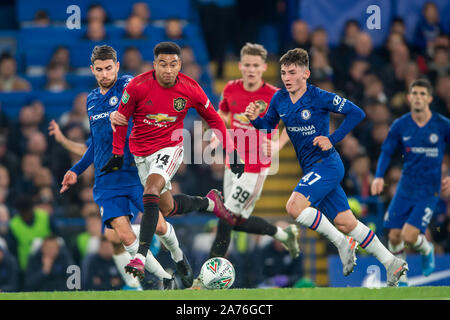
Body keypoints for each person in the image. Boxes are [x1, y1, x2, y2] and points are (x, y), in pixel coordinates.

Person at [245, 48, 408, 287]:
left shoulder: (318, 96)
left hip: (327, 164)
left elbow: (356, 112)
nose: (287, 77)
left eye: (292, 72)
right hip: (312, 169)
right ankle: (392, 263)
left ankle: (342, 243)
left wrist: (332, 138)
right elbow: (268, 124)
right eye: (283, 73)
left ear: (306, 73)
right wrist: (254, 119)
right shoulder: (279, 98)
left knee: (294, 207)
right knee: (346, 223)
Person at [102, 41, 245, 281]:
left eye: (173, 64)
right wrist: (117, 153)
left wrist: (231, 151)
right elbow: (120, 120)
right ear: (154, 64)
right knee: (166, 208)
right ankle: (209, 203)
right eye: (163, 64)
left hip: (170, 147)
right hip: (141, 152)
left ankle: (140, 256)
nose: (168, 70)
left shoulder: (191, 88)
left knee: (151, 190)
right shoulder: (137, 86)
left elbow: (215, 119)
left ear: (180, 65)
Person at [57, 45, 191, 290]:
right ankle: (164, 279)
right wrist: (76, 170)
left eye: (109, 68)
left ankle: (179, 257)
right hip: (107, 181)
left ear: (117, 66)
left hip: (135, 172)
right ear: (92, 70)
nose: (105, 74)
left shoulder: (129, 85)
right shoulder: (91, 100)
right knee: (123, 235)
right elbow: (97, 144)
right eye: (99, 70)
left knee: (160, 226)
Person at [205, 43, 299, 264]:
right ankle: (283, 234)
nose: (251, 69)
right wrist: (217, 132)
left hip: (257, 165)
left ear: (264, 67)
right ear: (240, 65)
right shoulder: (230, 89)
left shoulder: (275, 95)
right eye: (247, 65)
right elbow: (223, 113)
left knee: (225, 215)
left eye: (255, 65)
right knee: (234, 220)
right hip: (233, 161)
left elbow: (294, 123)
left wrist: (277, 145)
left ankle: (209, 271)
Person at [371, 78, 450, 285]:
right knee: (394, 236)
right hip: (405, 188)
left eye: (423, 94)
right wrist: (379, 176)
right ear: (409, 98)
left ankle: (427, 248)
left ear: (430, 98)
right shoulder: (400, 125)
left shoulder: (442, 125)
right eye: (415, 93)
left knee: (408, 235)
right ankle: (402, 276)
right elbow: (387, 152)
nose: (418, 98)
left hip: (429, 190)